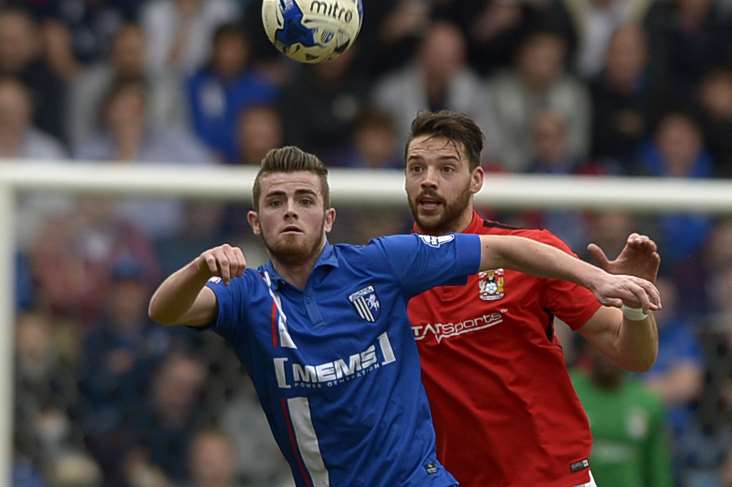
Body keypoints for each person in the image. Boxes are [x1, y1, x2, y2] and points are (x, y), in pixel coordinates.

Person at [148, 146, 660, 487]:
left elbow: (504, 249)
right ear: (255, 222)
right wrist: (199, 267)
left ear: (327, 218)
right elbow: (163, 308)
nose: (290, 211)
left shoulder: (382, 263)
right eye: (276, 201)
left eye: (304, 200)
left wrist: (597, 280)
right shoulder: (247, 296)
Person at [404, 110, 662, 487]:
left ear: (476, 180)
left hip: (553, 479)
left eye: (446, 169)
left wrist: (636, 304)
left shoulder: (535, 254)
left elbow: (634, 355)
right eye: (416, 168)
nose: (428, 181)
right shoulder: (389, 275)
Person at [571, 347, 673, 487]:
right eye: (599, 346)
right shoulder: (569, 392)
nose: (605, 355)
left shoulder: (647, 403)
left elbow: (657, 468)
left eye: (614, 346)